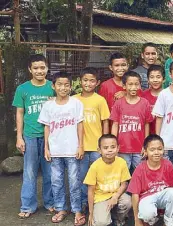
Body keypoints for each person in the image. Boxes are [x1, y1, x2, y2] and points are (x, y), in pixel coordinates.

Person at [38, 72, 85, 225]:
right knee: (56, 181)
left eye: (66, 85)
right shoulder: (48, 105)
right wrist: (46, 147)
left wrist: (81, 146)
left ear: (71, 87)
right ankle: (61, 209)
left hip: (72, 150)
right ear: (53, 86)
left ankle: (77, 210)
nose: (63, 88)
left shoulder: (76, 103)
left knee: (74, 181)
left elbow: (80, 125)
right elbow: (46, 127)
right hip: (55, 151)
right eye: (59, 84)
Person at [13, 54, 54, 219]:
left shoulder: (53, 86)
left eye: (42, 67)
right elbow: (20, 113)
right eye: (36, 68)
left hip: (50, 136)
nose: (39, 71)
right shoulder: (22, 89)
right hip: (29, 136)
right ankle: (28, 205)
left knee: (49, 171)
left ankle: (50, 202)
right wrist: (19, 137)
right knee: (29, 172)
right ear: (30, 69)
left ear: (47, 68)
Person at [74, 67, 110, 211]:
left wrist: (105, 144)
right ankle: (83, 203)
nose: (88, 84)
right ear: (80, 81)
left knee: (99, 176)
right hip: (80, 146)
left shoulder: (100, 100)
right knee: (82, 177)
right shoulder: (74, 100)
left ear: (97, 83)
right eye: (85, 80)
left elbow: (105, 121)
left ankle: (97, 201)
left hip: (96, 147)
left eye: (92, 81)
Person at [127, 135, 173, 226]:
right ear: (145, 151)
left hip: (162, 196)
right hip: (146, 199)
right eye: (152, 150)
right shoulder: (140, 169)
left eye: (159, 149)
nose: (156, 152)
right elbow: (135, 194)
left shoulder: (168, 164)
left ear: (163, 149)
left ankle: (169, 222)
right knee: (147, 214)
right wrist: (136, 219)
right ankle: (153, 221)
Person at [84, 134, 132, 226]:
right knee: (101, 223)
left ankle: (119, 219)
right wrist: (91, 213)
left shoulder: (121, 162)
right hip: (100, 197)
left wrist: (116, 196)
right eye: (105, 148)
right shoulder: (95, 166)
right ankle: (105, 215)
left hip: (116, 193)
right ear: (99, 150)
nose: (109, 150)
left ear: (118, 148)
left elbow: (124, 184)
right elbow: (91, 190)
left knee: (128, 202)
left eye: (113, 147)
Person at [110, 71, 153, 170]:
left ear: (140, 86)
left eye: (136, 84)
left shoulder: (144, 103)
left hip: (139, 148)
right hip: (122, 148)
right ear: (124, 86)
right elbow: (115, 124)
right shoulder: (119, 103)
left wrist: (146, 145)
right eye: (130, 84)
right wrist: (114, 145)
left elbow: (147, 125)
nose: (133, 87)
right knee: (123, 176)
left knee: (141, 173)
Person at [141, 65, 165, 135]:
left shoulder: (168, 95)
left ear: (164, 79)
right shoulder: (143, 96)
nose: (155, 80)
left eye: (158, 77)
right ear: (148, 80)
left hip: (164, 134)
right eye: (152, 77)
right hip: (147, 135)